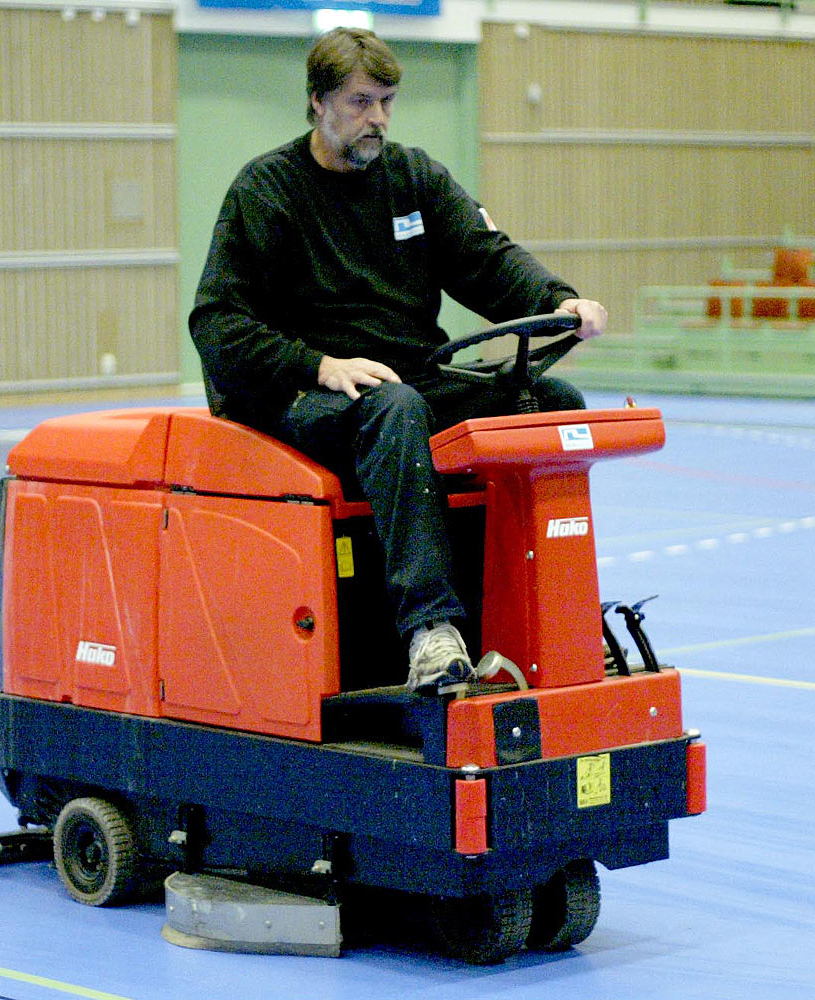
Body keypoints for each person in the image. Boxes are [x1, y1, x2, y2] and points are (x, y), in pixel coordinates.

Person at [189, 27, 607, 693]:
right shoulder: (266, 192)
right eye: (360, 102)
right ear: (318, 102)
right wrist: (317, 363)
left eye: (386, 101)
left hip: (406, 378)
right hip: (306, 394)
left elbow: (483, 258)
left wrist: (559, 299)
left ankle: (553, 611)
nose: (377, 118)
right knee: (394, 407)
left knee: (551, 403)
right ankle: (431, 630)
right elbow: (216, 322)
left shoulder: (412, 177)